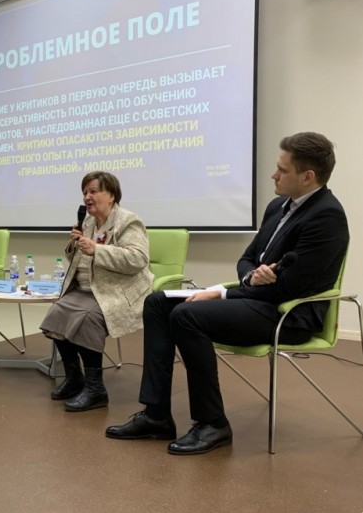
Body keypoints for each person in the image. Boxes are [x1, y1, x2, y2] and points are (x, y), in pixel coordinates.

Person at [106, 132, 349, 455]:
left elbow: (290, 288)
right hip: (257, 299)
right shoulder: (278, 207)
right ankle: (156, 415)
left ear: (308, 177)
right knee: (157, 303)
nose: (273, 175)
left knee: (188, 315)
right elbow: (246, 259)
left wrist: (221, 294)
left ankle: (213, 423)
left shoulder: (327, 216)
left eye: (282, 170)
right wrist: (250, 277)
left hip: (289, 315)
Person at [40, 171, 154, 411]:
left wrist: (97, 250)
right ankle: (74, 377)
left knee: (88, 318)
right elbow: (80, 258)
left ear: (111, 195)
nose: (87, 197)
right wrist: (74, 245)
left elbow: (138, 258)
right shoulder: (89, 222)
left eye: (93, 191)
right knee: (56, 314)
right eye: (84, 192)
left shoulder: (128, 221)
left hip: (117, 291)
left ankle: (96, 389)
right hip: (87, 289)